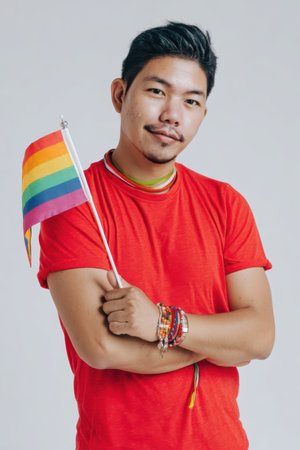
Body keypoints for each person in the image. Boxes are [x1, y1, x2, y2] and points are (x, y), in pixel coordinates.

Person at [38, 21, 275, 450]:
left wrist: (163, 323)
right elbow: (102, 349)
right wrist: (220, 342)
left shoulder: (226, 204)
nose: (172, 114)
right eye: (156, 91)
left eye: (191, 100)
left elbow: (260, 336)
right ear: (119, 94)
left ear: (203, 113)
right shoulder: (75, 205)